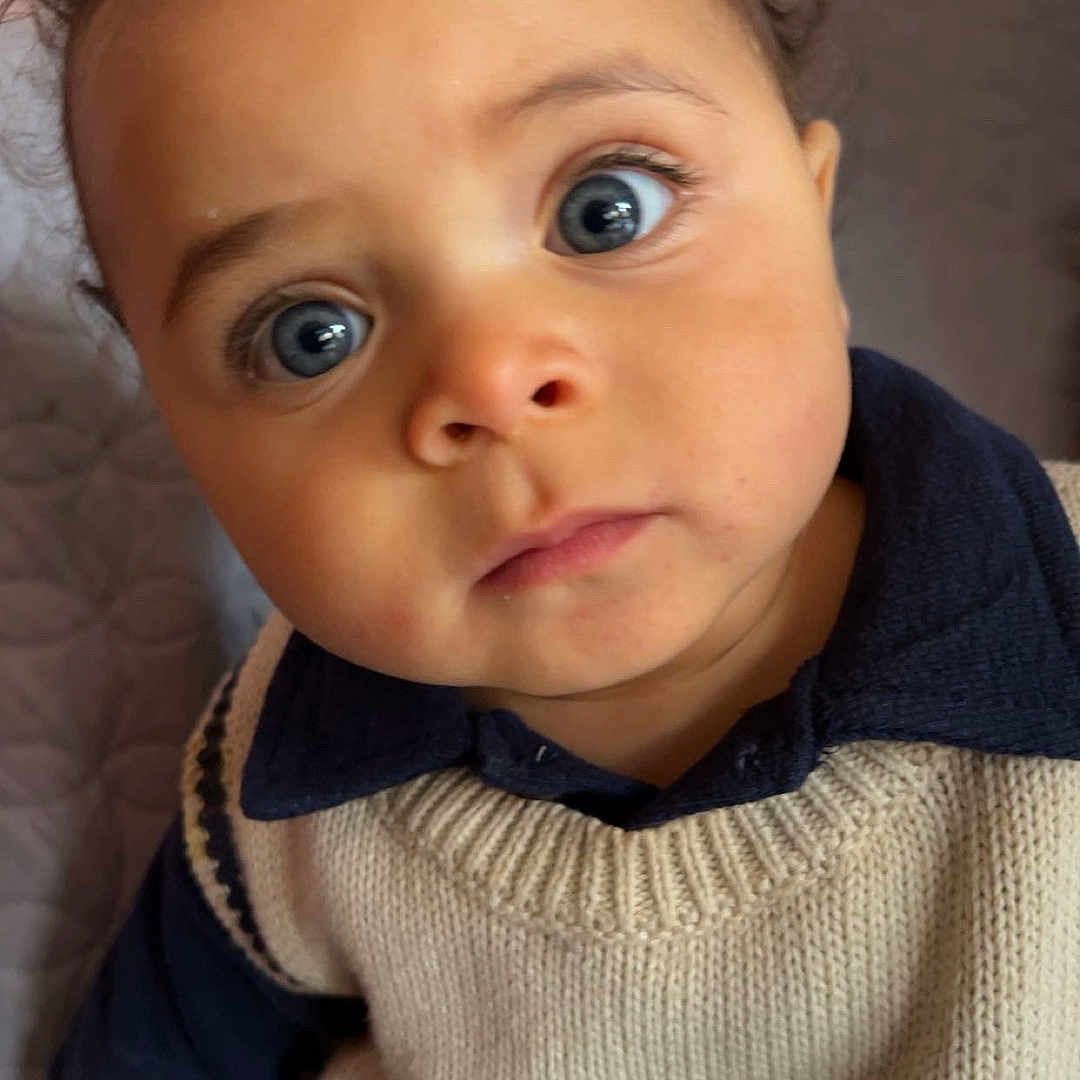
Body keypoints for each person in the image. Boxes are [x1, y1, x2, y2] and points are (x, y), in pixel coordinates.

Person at [3, 0, 1078, 1075]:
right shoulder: (272, 800)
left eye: (605, 210)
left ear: (814, 213)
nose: (491, 382)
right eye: (308, 335)